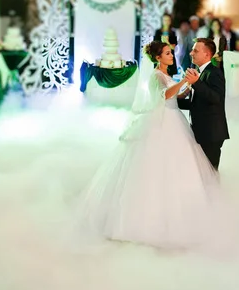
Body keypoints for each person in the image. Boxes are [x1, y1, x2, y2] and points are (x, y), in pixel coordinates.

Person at [81, 41, 222, 248]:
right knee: (160, 166)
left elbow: (173, 96)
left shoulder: (165, 76)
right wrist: (184, 81)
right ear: (158, 58)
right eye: (167, 53)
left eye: (171, 52)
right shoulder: (156, 75)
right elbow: (164, 95)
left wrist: (184, 90)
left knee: (180, 165)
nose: (172, 56)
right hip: (165, 122)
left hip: (174, 119)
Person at [178, 38, 230, 170]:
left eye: (195, 50)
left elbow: (217, 99)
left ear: (207, 54)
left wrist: (196, 83)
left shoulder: (214, 72)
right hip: (202, 131)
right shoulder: (200, 72)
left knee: (211, 172)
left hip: (211, 133)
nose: (191, 53)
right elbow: (196, 103)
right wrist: (173, 102)